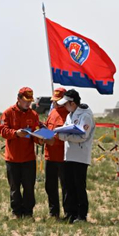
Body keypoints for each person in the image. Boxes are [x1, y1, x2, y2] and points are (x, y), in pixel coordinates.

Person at [0, 87, 40, 218]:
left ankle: (28, 213)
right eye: (26, 100)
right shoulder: (8, 113)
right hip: (12, 158)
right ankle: (16, 213)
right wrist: (15, 133)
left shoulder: (33, 115)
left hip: (29, 158)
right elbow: (2, 130)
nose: (28, 103)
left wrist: (41, 139)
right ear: (18, 99)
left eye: (30, 101)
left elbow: (36, 133)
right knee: (15, 188)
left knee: (29, 187)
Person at [57, 89, 95, 223]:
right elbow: (65, 130)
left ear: (72, 103)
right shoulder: (69, 115)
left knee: (79, 186)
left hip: (80, 156)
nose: (64, 107)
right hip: (69, 155)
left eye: (66, 104)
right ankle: (70, 214)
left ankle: (81, 215)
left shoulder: (86, 115)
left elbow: (83, 136)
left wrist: (64, 136)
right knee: (69, 186)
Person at [42, 87, 69, 218]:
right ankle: (54, 213)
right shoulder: (52, 113)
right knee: (50, 186)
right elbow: (47, 128)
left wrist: (55, 139)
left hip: (63, 157)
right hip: (50, 155)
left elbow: (69, 134)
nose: (56, 103)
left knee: (66, 187)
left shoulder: (70, 115)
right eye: (55, 101)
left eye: (59, 101)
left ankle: (68, 213)